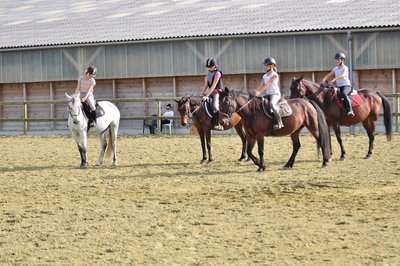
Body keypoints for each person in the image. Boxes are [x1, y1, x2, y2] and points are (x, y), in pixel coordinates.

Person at [254, 57, 284, 129]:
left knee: (272, 104)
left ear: (272, 66)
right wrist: (255, 91)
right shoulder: (264, 76)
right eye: (265, 65)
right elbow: (261, 85)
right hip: (267, 94)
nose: (265, 67)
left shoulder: (274, 75)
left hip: (275, 94)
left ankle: (280, 122)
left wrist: (259, 92)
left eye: (266, 65)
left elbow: (268, 84)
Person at [321, 52, 355, 117]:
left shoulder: (345, 68)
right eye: (336, 59)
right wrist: (324, 79)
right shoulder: (335, 68)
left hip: (346, 86)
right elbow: (329, 75)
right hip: (339, 86)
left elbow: (341, 76)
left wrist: (333, 80)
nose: (336, 61)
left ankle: (350, 110)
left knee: (343, 94)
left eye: (338, 59)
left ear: (342, 60)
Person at [201, 57, 224, 131]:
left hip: (217, 92)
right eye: (209, 67)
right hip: (210, 92)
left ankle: (217, 124)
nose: (210, 68)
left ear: (215, 66)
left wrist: (207, 95)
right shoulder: (208, 74)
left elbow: (214, 85)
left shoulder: (218, 73)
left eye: (211, 67)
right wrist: (202, 94)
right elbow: (205, 85)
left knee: (215, 106)